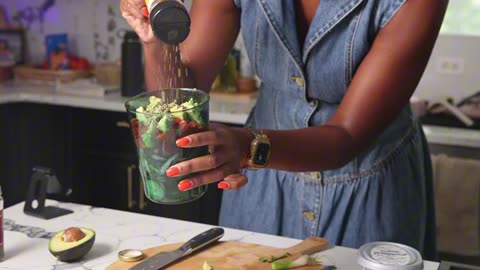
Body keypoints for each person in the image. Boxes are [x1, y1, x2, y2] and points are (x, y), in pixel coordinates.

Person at [121, 0, 448, 260]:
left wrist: (246, 147)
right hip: (261, 187)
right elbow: (182, 94)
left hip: (365, 188)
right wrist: (156, 38)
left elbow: (347, 136)